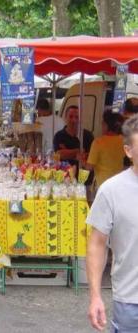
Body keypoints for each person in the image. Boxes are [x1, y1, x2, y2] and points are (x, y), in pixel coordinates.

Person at [86, 114, 138, 332]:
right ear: (128, 151)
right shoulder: (111, 191)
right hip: (130, 301)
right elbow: (97, 243)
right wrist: (96, 296)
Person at [85, 111, 125, 188]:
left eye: (102, 123)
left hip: (103, 184)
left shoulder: (98, 142)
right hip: (118, 183)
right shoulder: (123, 140)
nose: (101, 125)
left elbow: (89, 167)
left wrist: (81, 159)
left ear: (106, 125)